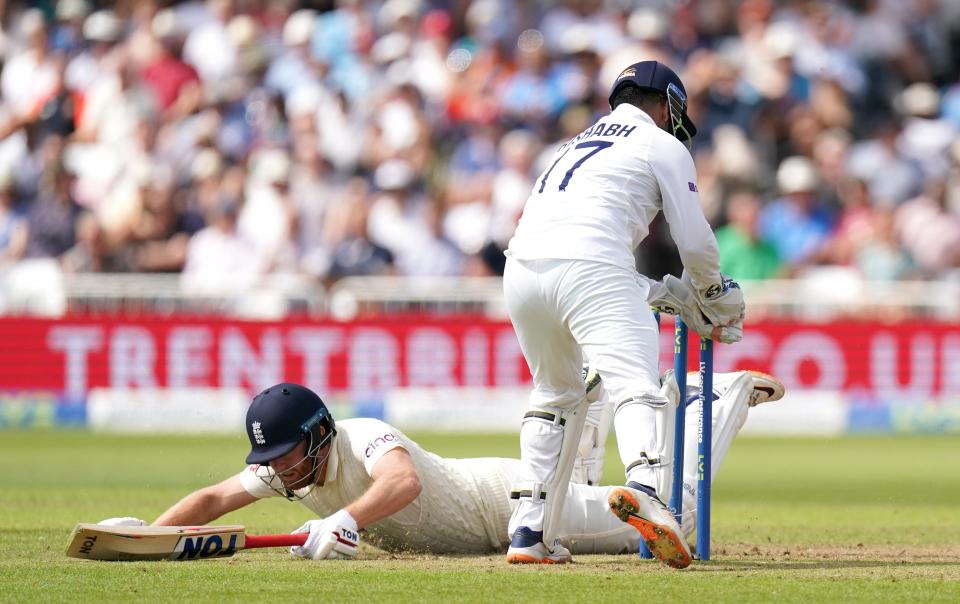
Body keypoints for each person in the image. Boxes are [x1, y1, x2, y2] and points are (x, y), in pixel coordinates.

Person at [100, 368, 784, 561]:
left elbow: (405, 481)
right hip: (508, 506)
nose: (279, 470)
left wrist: (340, 520)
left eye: (286, 453)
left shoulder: (361, 433)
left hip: (506, 502)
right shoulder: (289, 472)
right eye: (270, 460)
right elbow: (214, 501)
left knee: (677, 517)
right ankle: (592, 400)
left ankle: (722, 398)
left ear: (318, 434)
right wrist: (150, 534)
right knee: (583, 487)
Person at [501, 60, 744, 567]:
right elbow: (694, 240)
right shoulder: (662, 143)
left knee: (555, 394)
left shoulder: (570, 145)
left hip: (522, 270)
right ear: (666, 105)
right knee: (636, 384)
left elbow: (570, 252)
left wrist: (663, 292)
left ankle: (529, 530)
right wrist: (714, 293)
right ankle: (647, 490)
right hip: (593, 266)